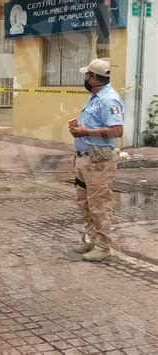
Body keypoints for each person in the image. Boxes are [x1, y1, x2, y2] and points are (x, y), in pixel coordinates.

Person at [68, 58, 124, 262]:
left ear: (93, 77)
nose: (85, 78)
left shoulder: (109, 99)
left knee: (99, 204)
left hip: (99, 161)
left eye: (87, 75)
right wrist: (80, 134)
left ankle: (103, 247)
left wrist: (85, 131)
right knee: (84, 202)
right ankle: (92, 241)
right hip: (86, 159)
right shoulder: (95, 97)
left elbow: (117, 131)